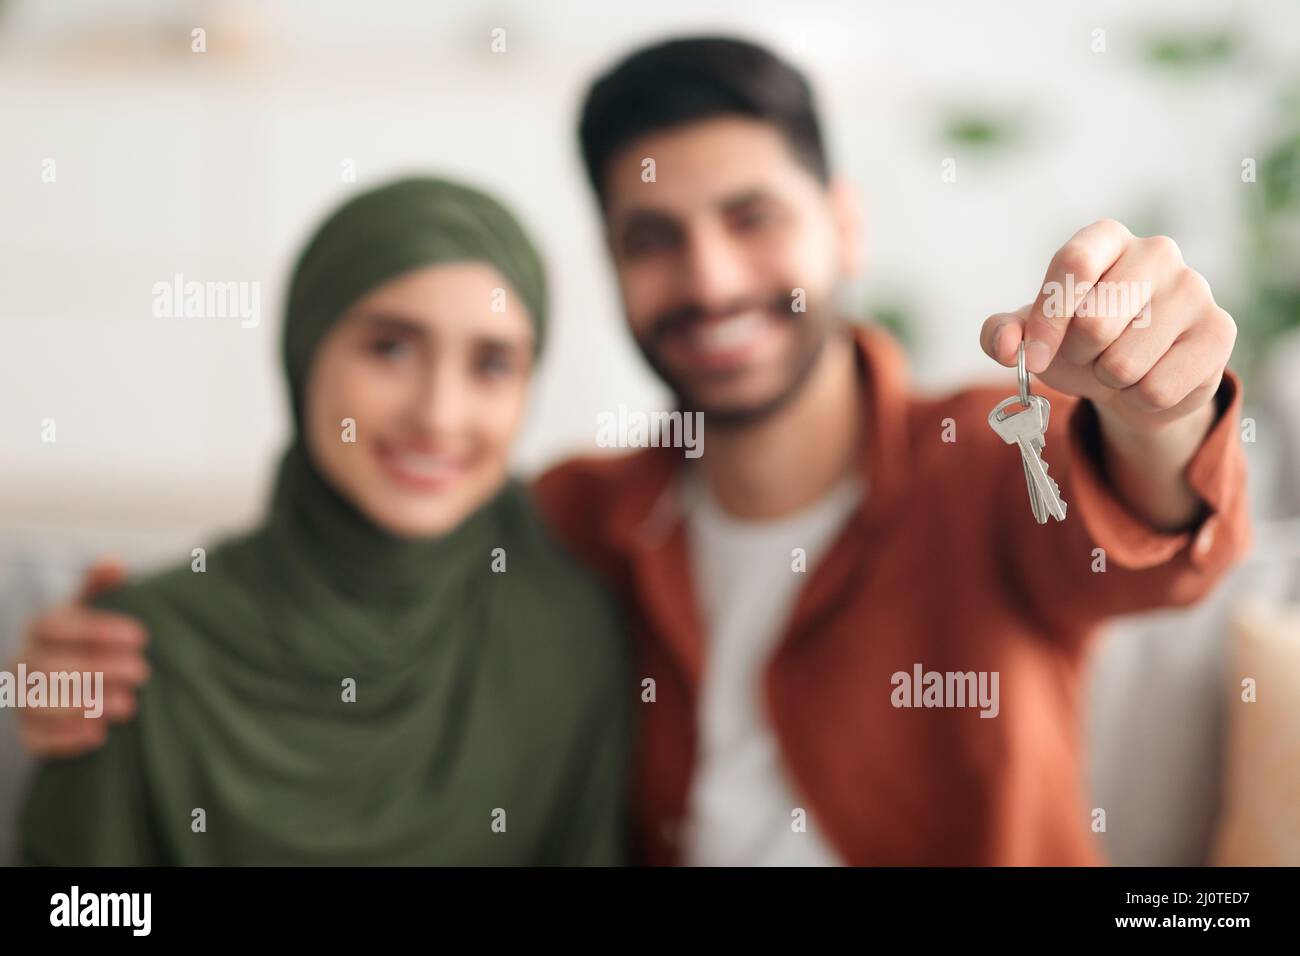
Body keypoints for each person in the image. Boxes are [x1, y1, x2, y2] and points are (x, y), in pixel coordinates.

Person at [14, 37, 1248, 866]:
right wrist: (89, 654)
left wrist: (1158, 408)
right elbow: (356, 574)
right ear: (609, 268)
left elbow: (1153, 536)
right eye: (654, 235)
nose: (708, 277)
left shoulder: (984, 461)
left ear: (845, 223)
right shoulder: (580, 522)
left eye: (752, 218)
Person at [16, 177, 631, 865]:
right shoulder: (131, 652)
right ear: (306, 353)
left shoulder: (570, 639)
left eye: (492, 364)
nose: (439, 414)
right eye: (391, 349)